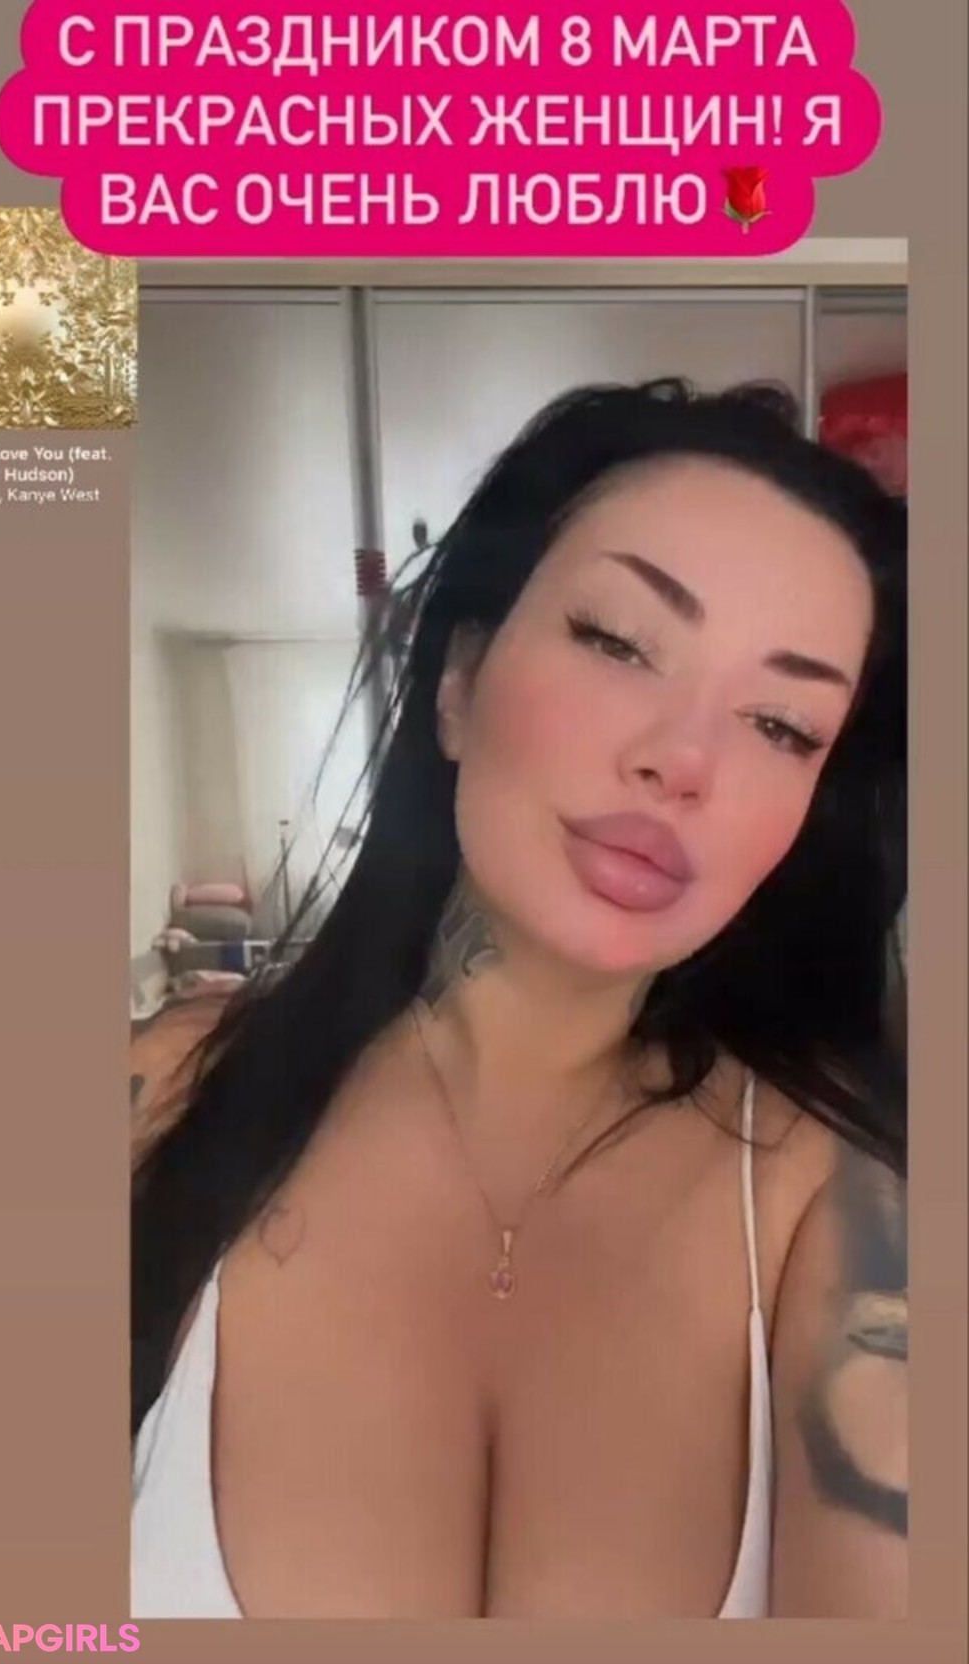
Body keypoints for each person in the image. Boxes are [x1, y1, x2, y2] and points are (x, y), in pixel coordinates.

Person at [130, 378, 907, 1620]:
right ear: (458, 679)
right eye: (618, 641)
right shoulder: (155, 1095)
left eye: (781, 722)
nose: (684, 760)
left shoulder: (848, 1195)